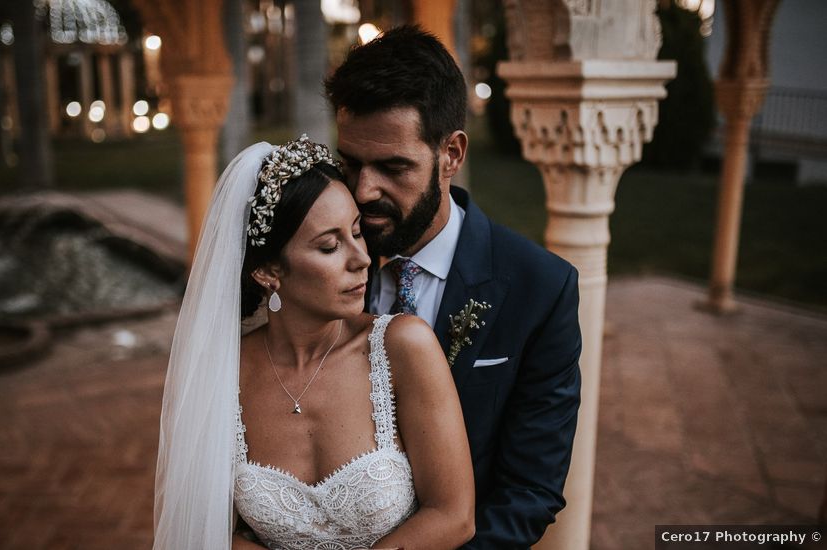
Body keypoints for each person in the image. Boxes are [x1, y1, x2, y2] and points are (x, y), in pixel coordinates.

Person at [325, 26, 582, 549]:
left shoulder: (541, 289)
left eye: (393, 167)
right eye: (350, 163)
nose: (362, 190)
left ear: (451, 154)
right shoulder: (320, 263)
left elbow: (529, 491)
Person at [152, 136, 475, 549]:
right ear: (268, 271)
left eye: (357, 233)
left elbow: (453, 515)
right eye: (329, 245)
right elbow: (206, 525)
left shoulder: (403, 346)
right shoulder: (223, 372)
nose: (360, 258)